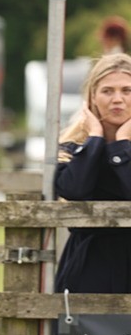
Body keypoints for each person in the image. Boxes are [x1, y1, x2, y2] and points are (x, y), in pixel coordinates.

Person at [54, 52, 131, 294]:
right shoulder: (72, 148)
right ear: (92, 98)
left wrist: (121, 146)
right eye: (107, 91)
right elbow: (74, 190)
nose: (117, 99)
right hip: (89, 267)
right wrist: (95, 138)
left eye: (127, 91)